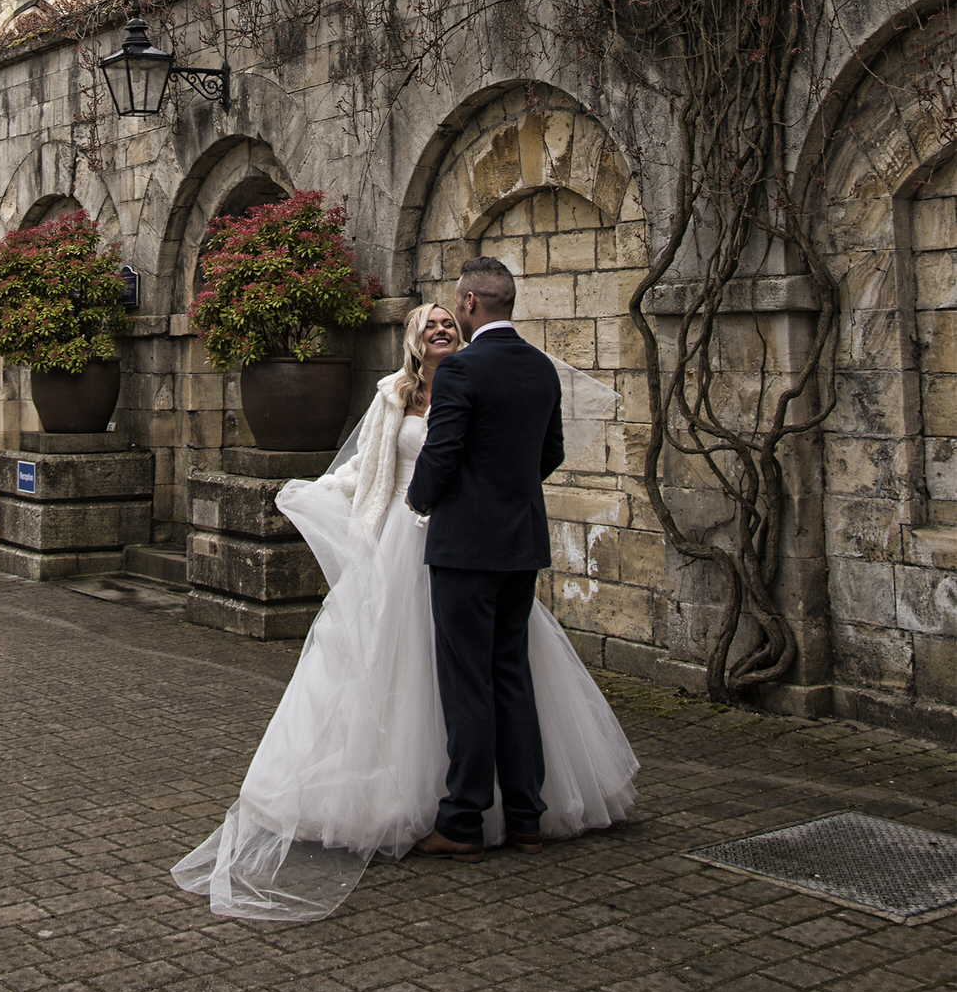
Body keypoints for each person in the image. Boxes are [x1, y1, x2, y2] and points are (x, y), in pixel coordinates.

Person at [172, 293, 637, 923]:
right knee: (433, 669)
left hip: (454, 537)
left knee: (484, 674)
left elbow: (488, 455)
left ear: (467, 318)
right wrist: (322, 491)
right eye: (432, 324)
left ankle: (482, 813)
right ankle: (493, 808)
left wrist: (435, 500)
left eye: (450, 320)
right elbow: (371, 462)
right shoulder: (396, 393)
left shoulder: (479, 375)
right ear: (415, 338)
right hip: (413, 539)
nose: (444, 327)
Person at [407, 255, 564, 861]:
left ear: (470, 303)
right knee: (511, 676)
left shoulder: (461, 372)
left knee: (467, 682)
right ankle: (526, 817)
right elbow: (548, 452)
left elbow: (439, 457)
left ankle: (464, 821)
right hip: (520, 544)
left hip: (465, 547)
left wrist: (419, 502)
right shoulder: (542, 369)